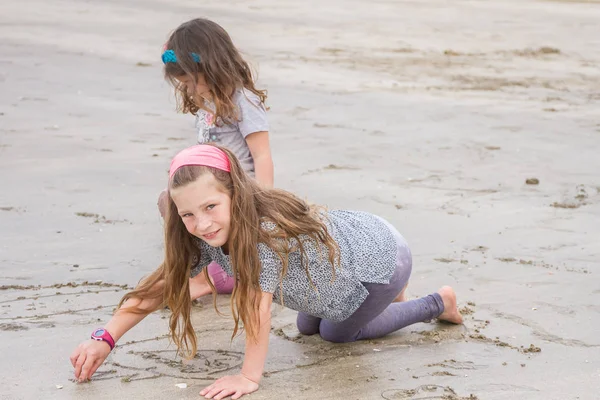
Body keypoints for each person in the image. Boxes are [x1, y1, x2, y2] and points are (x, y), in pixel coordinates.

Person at [70, 144, 463, 400]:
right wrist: (104, 337)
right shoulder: (202, 234)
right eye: (187, 214)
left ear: (234, 195)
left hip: (380, 255)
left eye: (210, 207)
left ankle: (436, 302)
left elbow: (258, 307)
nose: (202, 224)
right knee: (307, 328)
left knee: (335, 334)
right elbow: (158, 287)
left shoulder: (261, 234)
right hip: (351, 253)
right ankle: (390, 294)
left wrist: (248, 378)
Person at [158, 18, 274, 295]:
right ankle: (198, 268)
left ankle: (208, 278)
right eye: (182, 83)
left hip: (239, 190)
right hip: (210, 185)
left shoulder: (243, 101)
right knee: (170, 200)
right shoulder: (207, 102)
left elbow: (262, 155)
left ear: (212, 66)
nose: (188, 89)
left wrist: (265, 206)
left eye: (190, 81)